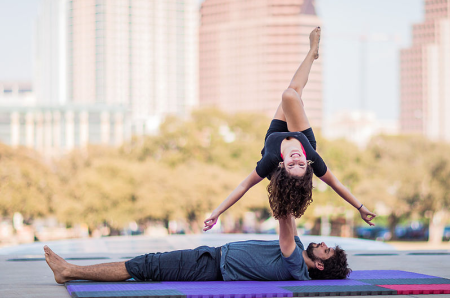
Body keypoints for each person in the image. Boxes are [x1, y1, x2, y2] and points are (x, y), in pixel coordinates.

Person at [204, 27, 376, 231]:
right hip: (301, 137)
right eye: (300, 165)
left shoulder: (270, 162)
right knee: (291, 94)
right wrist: (360, 207)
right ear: (307, 163)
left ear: (281, 165)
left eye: (291, 165)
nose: (296, 160)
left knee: (292, 92)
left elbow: (243, 186)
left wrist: (216, 212)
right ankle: (312, 53)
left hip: (275, 137)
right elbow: (336, 184)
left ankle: (312, 53)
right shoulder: (310, 156)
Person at [44, 215, 351, 284]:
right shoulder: (299, 248)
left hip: (207, 266)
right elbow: (291, 224)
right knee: (146, 264)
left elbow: (285, 222)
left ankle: (69, 271)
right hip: (210, 257)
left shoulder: (296, 266)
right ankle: (70, 270)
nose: (324, 244)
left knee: (145, 265)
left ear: (320, 266)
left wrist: (283, 176)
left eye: (327, 251)